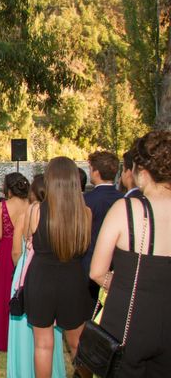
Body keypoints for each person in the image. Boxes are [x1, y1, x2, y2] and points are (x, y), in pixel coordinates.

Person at [90, 131, 171, 376]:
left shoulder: (126, 209)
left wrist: (119, 283)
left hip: (128, 317)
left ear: (142, 173)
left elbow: (96, 272)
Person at [23, 157, 92, 378]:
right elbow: (83, 245)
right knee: (77, 342)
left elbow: (28, 241)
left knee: (43, 344)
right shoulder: (86, 213)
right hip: (72, 278)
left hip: (42, 278)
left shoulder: (35, 211)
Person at [8, 174, 65, 378]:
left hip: (27, 274)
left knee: (26, 329)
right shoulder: (60, 216)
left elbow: (16, 252)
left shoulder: (27, 217)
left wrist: (21, 270)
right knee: (50, 333)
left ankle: (23, 371)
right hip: (53, 276)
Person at [0, 172, 30, 352]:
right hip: (27, 249)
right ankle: (22, 338)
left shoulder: (2, 206)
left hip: (7, 249)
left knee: (4, 292)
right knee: (23, 291)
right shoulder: (31, 205)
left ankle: (3, 337)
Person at [83, 150, 123, 299]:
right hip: (117, 266)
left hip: (89, 263)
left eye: (90, 169)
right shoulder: (124, 199)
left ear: (96, 172)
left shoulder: (87, 200)